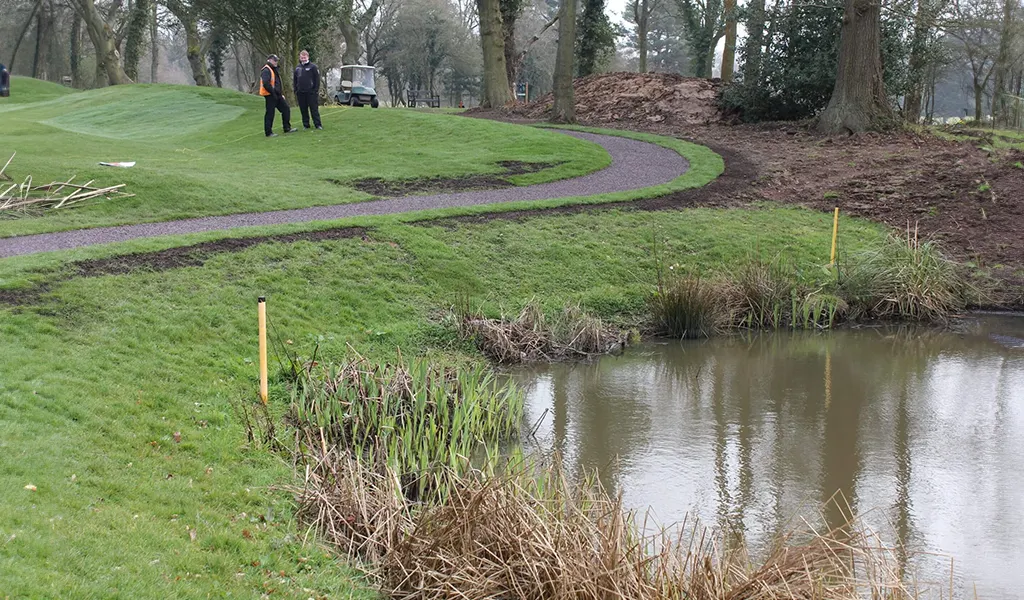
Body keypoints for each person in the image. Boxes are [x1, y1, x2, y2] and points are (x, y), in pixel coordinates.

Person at [259, 54, 295, 137]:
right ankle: (268, 132)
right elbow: (266, 84)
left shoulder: (273, 69)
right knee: (270, 113)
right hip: (270, 95)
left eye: (276, 60)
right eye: (274, 60)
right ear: (269, 60)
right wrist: (273, 93)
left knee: (286, 109)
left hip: (277, 95)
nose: (276, 62)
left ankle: (287, 128)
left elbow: (276, 83)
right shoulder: (266, 70)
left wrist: (280, 94)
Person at [293, 50, 322, 130]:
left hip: (311, 92)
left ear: (308, 57)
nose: (303, 59)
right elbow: (295, 79)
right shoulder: (298, 67)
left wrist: (315, 90)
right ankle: (306, 125)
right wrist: (295, 89)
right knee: (303, 109)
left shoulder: (313, 67)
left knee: (314, 109)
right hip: (300, 92)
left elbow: (317, 79)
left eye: (304, 57)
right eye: (302, 57)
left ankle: (318, 124)